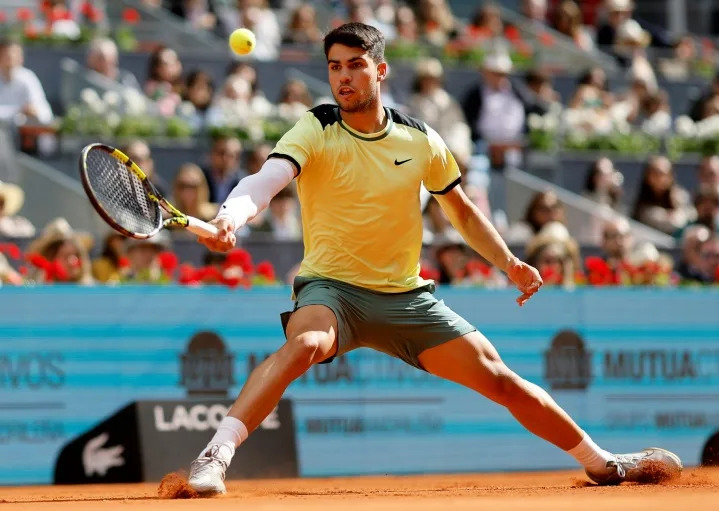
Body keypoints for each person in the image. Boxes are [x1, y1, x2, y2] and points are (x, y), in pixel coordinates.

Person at [187, 22, 682, 495]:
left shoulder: (420, 138)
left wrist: (508, 262)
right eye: (335, 66)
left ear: (380, 72)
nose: (342, 76)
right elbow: (266, 180)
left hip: (405, 296)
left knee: (501, 380)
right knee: (305, 345)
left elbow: (462, 212)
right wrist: (232, 214)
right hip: (332, 290)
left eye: (355, 65)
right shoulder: (316, 127)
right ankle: (214, 456)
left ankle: (602, 462)